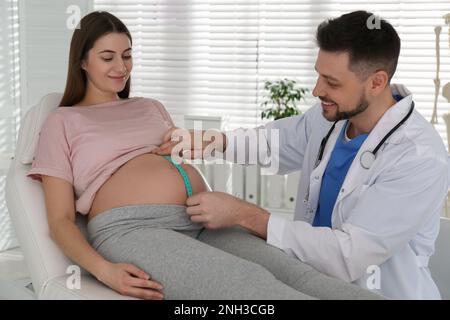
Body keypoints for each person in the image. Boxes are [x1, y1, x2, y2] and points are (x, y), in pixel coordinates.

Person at [27, 11, 382, 300]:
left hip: (199, 216)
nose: (121, 66)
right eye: (107, 57)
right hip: (133, 228)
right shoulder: (63, 121)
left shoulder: (150, 107)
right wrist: (105, 271)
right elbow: (59, 220)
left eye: (127, 55)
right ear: (82, 62)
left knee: (298, 272)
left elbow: (178, 158)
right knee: (250, 287)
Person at [153, 11, 450, 300]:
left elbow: (350, 254)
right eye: (319, 75)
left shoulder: (419, 158)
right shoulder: (331, 116)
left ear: (376, 82)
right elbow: (274, 144)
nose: (317, 90)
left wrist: (245, 215)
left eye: (332, 82)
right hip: (310, 284)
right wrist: (213, 142)